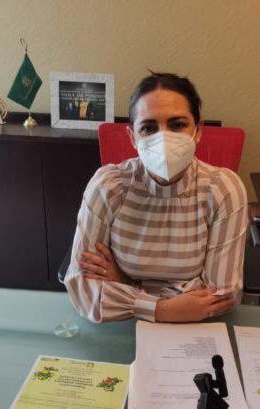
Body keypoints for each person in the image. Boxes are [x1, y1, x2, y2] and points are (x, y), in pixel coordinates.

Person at [64, 72, 248, 323]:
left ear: (198, 131)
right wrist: (166, 309)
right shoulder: (108, 186)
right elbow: (82, 288)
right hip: (126, 325)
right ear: (132, 137)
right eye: (148, 128)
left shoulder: (223, 189)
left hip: (194, 329)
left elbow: (222, 296)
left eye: (178, 125)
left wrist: (125, 283)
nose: (163, 139)